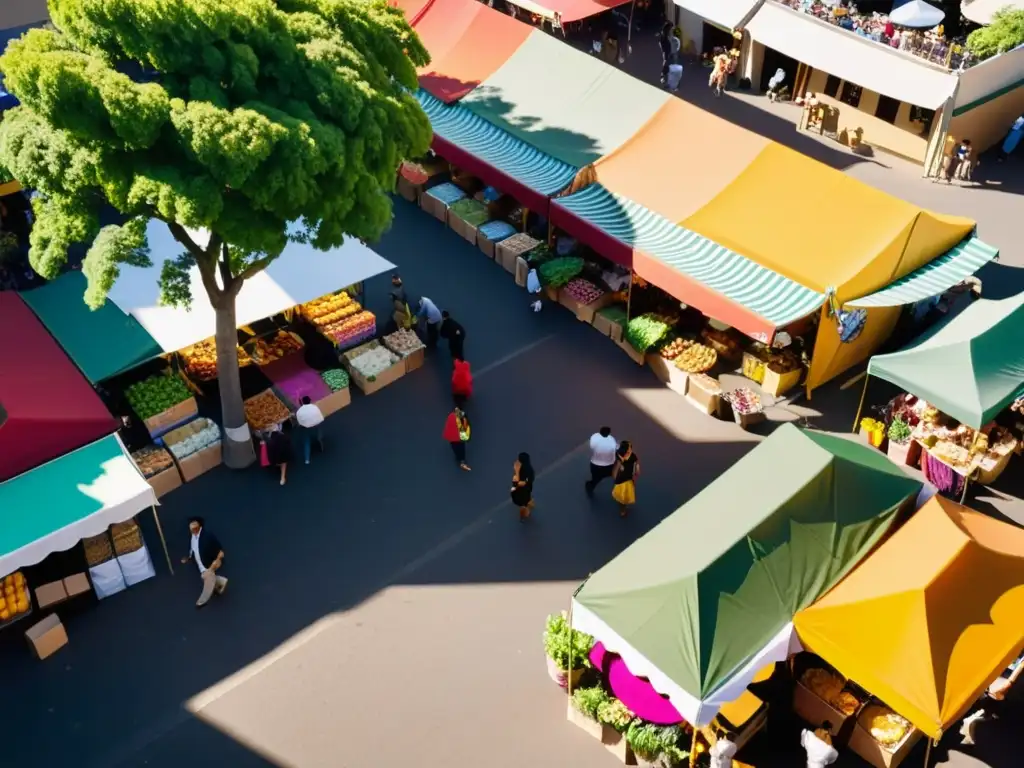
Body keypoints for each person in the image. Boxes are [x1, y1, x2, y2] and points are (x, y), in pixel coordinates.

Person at [180, 516, 227, 608]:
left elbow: (221, 552)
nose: (191, 527)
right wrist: (188, 558)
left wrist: (215, 562)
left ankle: (203, 600)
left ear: (199, 525)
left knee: (206, 577)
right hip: (201, 565)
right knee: (206, 576)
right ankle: (221, 582)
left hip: (212, 563)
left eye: (193, 524)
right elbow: (193, 549)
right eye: (190, 525)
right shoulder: (192, 537)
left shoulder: (208, 536)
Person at [585, 426, 618, 497]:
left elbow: (592, 446)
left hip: (595, 464)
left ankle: (591, 486)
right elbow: (616, 448)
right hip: (609, 465)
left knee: (596, 478)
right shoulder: (611, 439)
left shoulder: (594, 436)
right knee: (615, 472)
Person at [611, 440, 639, 518]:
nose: (630, 449)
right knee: (623, 496)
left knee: (624, 494)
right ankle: (622, 509)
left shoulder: (632, 456)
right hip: (622, 479)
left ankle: (623, 504)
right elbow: (617, 466)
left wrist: (636, 471)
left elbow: (636, 464)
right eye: (629, 447)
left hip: (628, 477)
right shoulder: (621, 455)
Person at [442, 402, 472, 471]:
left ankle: (458, 457)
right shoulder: (462, 416)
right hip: (460, 437)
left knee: (455, 448)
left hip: (452, 438)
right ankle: (462, 459)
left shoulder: (450, 416)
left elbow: (448, 426)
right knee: (461, 448)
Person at [295, 396, 325, 465]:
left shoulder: (299, 411)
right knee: (318, 435)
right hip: (316, 426)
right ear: (310, 401)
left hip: (306, 428)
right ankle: (320, 444)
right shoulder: (315, 407)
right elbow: (320, 416)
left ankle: (307, 460)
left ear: (302, 402)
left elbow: (299, 423)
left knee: (306, 442)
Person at [511, 452, 536, 521]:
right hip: (522, 490)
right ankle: (524, 514)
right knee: (524, 500)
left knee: (524, 500)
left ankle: (525, 514)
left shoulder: (525, 469)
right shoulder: (523, 468)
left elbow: (529, 478)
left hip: (523, 489)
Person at [267, 421, 294, 485]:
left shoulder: (268, 440)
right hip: (282, 453)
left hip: (272, 455)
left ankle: (277, 466)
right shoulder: (284, 437)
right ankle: (282, 478)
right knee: (283, 461)